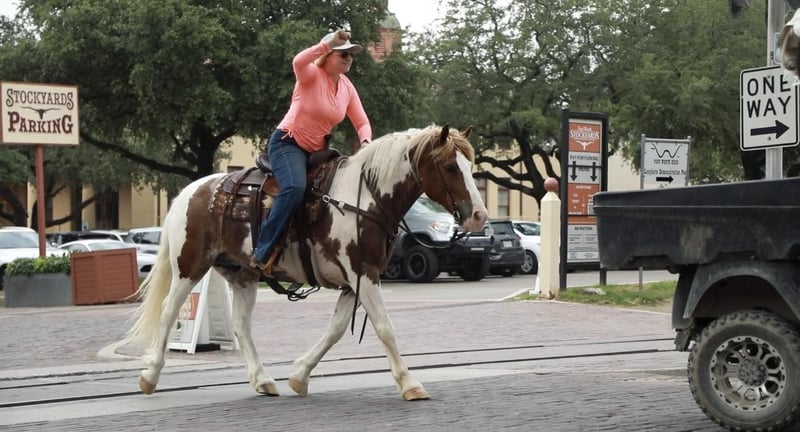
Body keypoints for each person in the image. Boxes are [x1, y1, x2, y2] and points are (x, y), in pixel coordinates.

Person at [251, 29, 372, 275]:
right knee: (295, 187)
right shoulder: (310, 74)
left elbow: (361, 122)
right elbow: (298, 61)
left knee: (336, 190)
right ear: (328, 55)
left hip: (317, 151)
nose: (349, 58)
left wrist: (366, 142)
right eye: (343, 54)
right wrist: (327, 43)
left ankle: (314, 250)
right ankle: (262, 252)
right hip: (288, 143)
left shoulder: (347, 87)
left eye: (351, 54)